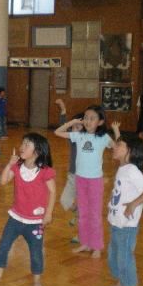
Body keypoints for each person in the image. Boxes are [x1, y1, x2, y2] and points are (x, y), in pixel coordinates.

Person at [0, 133, 56, 286]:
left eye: (27, 145)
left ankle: (37, 280)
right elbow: (3, 181)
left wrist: (48, 213)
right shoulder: (17, 167)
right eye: (22, 143)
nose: (22, 147)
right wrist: (9, 164)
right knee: (3, 245)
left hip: (36, 222)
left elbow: (52, 192)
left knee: (36, 251)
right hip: (15, 218)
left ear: (37, 151)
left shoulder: (45, 171)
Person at [104, 123, 143, 286]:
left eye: (119, 145)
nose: (114, 147)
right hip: (116, 223)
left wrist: (134, 204)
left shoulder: (132, 170)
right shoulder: (123, 168)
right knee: (114, 256)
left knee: (125, 258)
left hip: (126, 226)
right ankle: (120, 284)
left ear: (130, 151)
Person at [54, 105, 114, 258]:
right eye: (86, 118)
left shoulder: (103, 138)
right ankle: (85, 243)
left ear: (100, 122)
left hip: (95, 181)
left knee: (94, 215)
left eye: (92, 118)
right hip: (80, 179)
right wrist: (72, 122)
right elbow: (57, 132)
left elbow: (117, 148)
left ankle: (97, 246)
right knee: (83, 214)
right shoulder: (78, 135)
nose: (88, 121)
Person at [55, 99, 82, 243]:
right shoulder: (72, 138)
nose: (75, 129)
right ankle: (78, 212)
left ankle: (81, 234)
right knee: (65, 201)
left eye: (79, 126)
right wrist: (63, 109)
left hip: (86, 178)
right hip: (72, 176)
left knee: (85, 207)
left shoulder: (88, 139)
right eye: (74, 126)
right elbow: (61, 128)